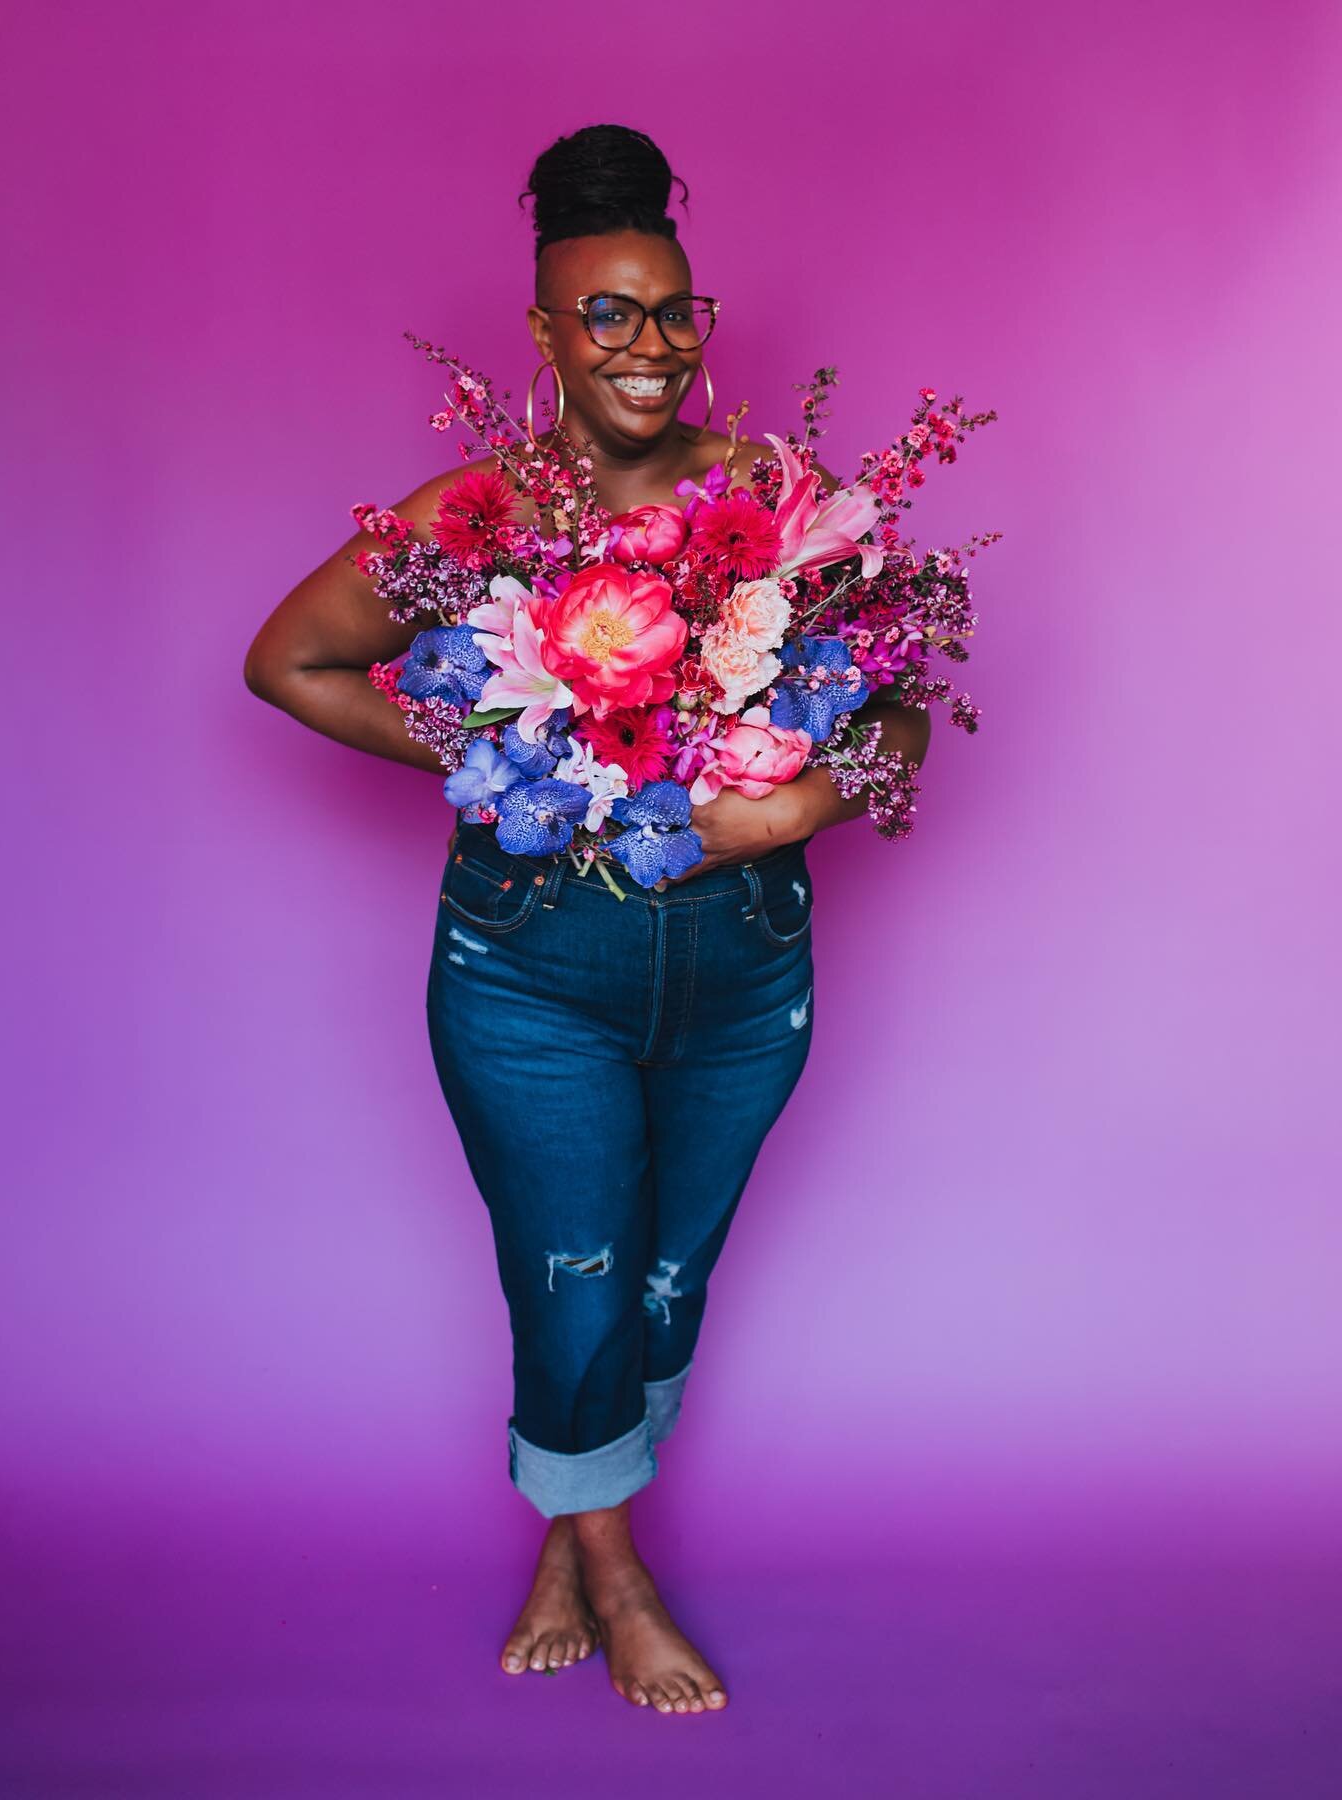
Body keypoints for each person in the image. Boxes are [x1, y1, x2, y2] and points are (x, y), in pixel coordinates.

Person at [244, 123, 932, 1717]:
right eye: (607, 314)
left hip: (748, 974)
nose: (648, 345)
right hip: (531, 974)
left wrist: (801, 805)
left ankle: (569, 1523)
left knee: (668, 1273)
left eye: (673, 312)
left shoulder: (784, 508)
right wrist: (505, 751)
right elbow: (289, 662)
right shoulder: (484, 510)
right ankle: (614, 1567)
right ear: (545, 332)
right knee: (573, 1271)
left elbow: (902, 717)